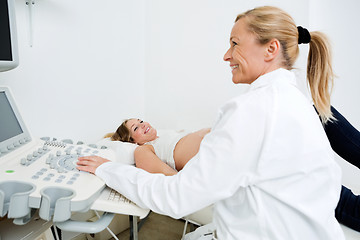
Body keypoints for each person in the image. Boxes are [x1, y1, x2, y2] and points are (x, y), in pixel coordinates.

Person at [78, 6, 345, 239]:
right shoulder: (296, 102)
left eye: (235, 44)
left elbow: (177, 197)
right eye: (135, 127)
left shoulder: (252, 109)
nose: (226, 55)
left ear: (271, 49)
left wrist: (108, 169)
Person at [105, 119, 210, 176]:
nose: (143, 125)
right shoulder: (143, 149)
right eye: (136, 128)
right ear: (132, 141)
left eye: (141, 121)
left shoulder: (166, 135)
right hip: (210, 152)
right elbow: (171, 177)